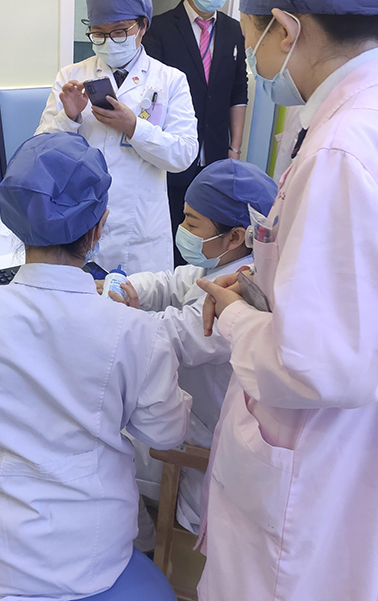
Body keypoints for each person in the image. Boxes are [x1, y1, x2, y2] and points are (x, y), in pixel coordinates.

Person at [0, 132, 191, 601]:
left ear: (13, 221)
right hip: (95, 548)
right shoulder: (136, 332)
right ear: (99, 227)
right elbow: (166, 433)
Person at [195, 1, 378, 600]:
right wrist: (262, 288)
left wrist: (236, 317)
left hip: (314, 465)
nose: (252, 57)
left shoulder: (339, 150)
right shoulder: (351, 121)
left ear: (286, 30)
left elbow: (313, 364)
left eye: (251, 37)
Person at [107, 159, 276, 536]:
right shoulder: (220, 265)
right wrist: (129, 288)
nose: (182, 230)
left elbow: (172, 335)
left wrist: (114, 315)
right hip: (193, 424)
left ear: (235, 237)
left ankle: (147, 544)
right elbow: (171, 282)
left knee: (109, 445)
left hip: (203, 455)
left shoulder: (242, 295)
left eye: (191, 223)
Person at [36, 0, 199, 275]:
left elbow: (183, 154)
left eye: (120, 31)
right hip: (77, 232)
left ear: (142, 26)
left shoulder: (171, 80)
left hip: (140, 234)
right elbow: (40, 153)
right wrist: (69, 118)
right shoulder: (71, 76)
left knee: (140, 300)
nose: (109, 42)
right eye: (99, 33)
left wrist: (134, 128)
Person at [144, 0, 249, 266]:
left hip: (215, 151)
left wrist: (234, 148)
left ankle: (199, 283)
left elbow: (238, 91)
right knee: (170, 229)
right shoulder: (160, 28)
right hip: (172, 153)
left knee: (208, 233)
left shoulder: (233, 30)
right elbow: (150, 95)